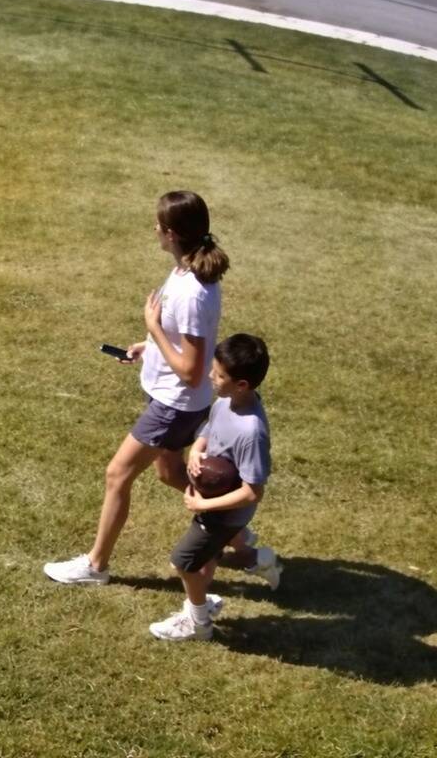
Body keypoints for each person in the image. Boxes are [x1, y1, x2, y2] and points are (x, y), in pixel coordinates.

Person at [43, 190, 229, 586]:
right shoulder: (183, 270)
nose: (154, 230)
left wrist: (154, 327)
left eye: (159, 226)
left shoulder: (195, 290)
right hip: (172, 397)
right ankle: (241, 537)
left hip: (174, 404)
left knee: (117, 475)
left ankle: (96, 566)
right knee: (168, 472)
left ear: (173, 234)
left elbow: (193, 371)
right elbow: (183, 347)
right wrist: (149, 347)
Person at [148, 333, 279, 643]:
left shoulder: (252, 432)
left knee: (184, 563)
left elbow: (252, 492)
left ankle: (199, 623)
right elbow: (208, 431)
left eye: (219, 375)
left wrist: (203, 506)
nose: (210, 376)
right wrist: (196, 450)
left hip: (225, 513)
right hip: (214, 501)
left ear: (242, 384)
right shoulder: (226, 401)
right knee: (205, 559)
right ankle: (256, 560)